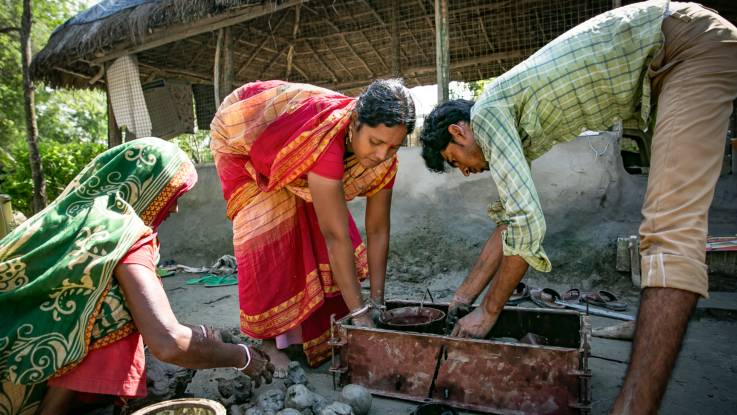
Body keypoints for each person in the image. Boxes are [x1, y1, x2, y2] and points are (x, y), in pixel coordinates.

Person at [419, 1, 737, 413]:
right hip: (666, 62)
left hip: (684, 47)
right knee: (662, 214)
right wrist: (460, 302)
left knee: (669, 228)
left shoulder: (488, 113)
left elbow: (528, 226)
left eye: (453, 160)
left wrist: (489, 312)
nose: (463, 172)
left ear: (459, 132)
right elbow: (509, 224)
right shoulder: (506, 119)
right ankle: (646, 325)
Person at [0, 138, 275, 415]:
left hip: (12, 353)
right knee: (115, 308)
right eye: (174, 196)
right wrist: (242, 356)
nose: (175, 209)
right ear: (148, 187)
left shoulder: (76, 218)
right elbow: (168, 342)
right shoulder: (124, 237)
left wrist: (205, 334)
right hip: (13, 387)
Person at [210, 79, 415, 368]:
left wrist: (377, 304)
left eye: (393, 147)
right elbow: (335, 236)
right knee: (267, 227)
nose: (382, 155)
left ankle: (312, 335)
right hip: (242, 136)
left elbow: (379, 230)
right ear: (355, 121)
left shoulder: (383, 161)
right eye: (376, 142)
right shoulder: (324, 141)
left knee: (315, 218)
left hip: (293, 147)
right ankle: (269, 344)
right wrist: (360, 313)